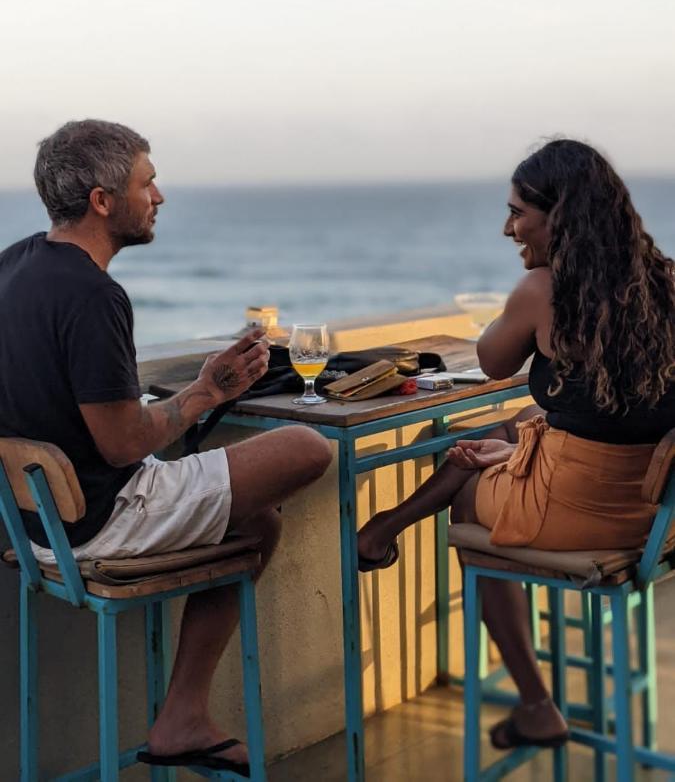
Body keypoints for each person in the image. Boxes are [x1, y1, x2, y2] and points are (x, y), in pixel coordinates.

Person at [0, 119, 333, 774]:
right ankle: (181, 716)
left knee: (256, 521)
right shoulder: (93, 294)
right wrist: (205, 393)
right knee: (307, 448)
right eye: (147, 183)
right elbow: (123, 445)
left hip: (33, 527)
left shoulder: (14, 263)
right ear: (103, 200)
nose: (160, 197)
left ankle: (183, 717)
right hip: (102, 521)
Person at [357, 138, 675, 749]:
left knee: (469, 497)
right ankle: (383, 530)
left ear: (559, 218)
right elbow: (615, 415)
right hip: (649, 510)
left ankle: (536, 705)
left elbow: (492, 359)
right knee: (496, 435)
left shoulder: (543, 290)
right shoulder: (660, 283)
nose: (509, 228)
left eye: (517, 213)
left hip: (586, 515)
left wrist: (530, 281)